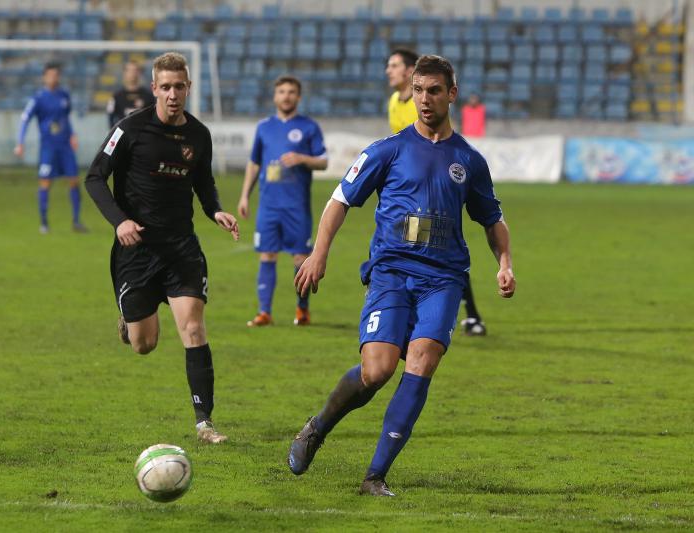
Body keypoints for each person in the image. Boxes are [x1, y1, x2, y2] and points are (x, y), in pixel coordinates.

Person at [288, 55, 516, 496]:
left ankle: (375, 476)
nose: (424, 99)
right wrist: (319, 253)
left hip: (442, 278)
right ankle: (317, 428)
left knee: (423, 359)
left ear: (452, 94)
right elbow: (339, 200)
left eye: (434, 90)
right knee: (377, 371)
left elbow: (493, 220)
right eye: (418, 90)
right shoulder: (387, 150)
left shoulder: (469, 160)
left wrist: (504, 263)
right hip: (391, 272)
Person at [85, 52, 240, 444]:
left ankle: (204, 423)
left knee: (193, 326)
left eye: (180, 86)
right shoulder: (129, 129)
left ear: (188, 87)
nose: (173, 94)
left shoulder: (199, 135)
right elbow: (94, 178)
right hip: (136, 250)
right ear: (154, 88)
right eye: (166, 87)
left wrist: (216, 211)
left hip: (181, 249)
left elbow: (203, 183)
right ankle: (129, 316)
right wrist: (119, 221)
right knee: (145, 345)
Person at [387, 48, 488, 336]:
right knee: (427, 249)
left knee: (439, 249)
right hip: (408, 191)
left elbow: (435, 143)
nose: (388, 71)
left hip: (434, 187)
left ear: (409, 72)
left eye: (394, 66)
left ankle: (464, 314)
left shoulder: (421, 104)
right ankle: (461, 314)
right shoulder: (394, 102)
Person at [237, 76, 328, 327]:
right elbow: (254, 162)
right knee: (267, 255)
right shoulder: (264, 127)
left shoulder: (309, 127)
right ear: (275, 96)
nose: (286, 96)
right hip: (268, 205)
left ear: (298, 97)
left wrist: (302, 158)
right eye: (281, 92)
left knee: (300, 258)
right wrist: (245, 194)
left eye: (291, 92)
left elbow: (323, 161)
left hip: (296, 206)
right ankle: (264, 312)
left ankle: (302, 311)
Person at [14, 62, 86, 234]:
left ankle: (76, 221)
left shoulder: (64, 95)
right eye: (50, 75)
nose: (54, 78)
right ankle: (44, 223)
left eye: (56, 75)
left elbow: (66, 118)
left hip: (65, 147)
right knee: (45, 182)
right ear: (44, 77)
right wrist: (20, 142)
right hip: (48, 147)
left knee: (74, 180)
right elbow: (25, 119)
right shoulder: (38, 98)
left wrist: (72, 135)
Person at [107, 60, 155, 128]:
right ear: (124, 73)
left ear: (139, 73)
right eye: (129, 70)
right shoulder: (116, 96)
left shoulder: (149, 96)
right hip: (123, 136)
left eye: (135, 70)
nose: (132, 73)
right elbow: (111, 118)